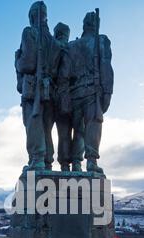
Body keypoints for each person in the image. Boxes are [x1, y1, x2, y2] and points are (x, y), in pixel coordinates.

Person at [15, 1, 61, 171]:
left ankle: (37, 159)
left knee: (34, 123)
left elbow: (27, 63)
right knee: (47, 128)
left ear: (32, 16)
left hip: (34, 88)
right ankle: (48, 161)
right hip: (51, 90)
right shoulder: (54, 41)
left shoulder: (29, 32)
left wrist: (17, 61)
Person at [67, 11, 114, 173]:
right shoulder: (101, 41)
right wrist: (108, 93)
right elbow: (106, 68)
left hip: (74, 93)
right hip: (92, 92)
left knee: (78, 130)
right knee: (93, 125)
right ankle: (91, 161)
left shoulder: (72, 45)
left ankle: (76, 163)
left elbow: (65, 72)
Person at [54, 23, 84, 172]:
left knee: (64, 133)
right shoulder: (74, 48)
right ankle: (77, 163)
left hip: (60, 97)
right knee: (79, 130)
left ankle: (65, 164)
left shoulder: (54, 47)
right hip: (78, 95)